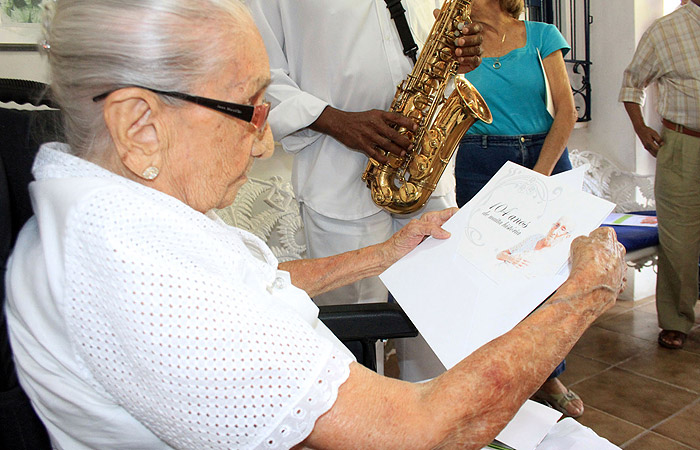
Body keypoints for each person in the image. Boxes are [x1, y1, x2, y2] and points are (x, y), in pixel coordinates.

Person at [5, 1, 626, 448]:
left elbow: (252, 277)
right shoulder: (136, 279)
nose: (261, 140)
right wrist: (579, 298)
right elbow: (417, 432)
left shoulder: (113, 213)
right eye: (248, 108)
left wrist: (378, 256)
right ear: (140, 126)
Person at [245, 0, 484, 306]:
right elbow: (258, 73)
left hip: (427, 173)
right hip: (337, 180)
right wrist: (334, 120)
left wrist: (459, 56)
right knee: (356, 332)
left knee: (439, 321)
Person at [452, 0, 582, 417]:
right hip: (481, 157)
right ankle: (499, 373)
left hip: (544, 156)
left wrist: (538, 178)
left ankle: (548, 374)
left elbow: (567, 111)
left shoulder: (543, 35)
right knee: (489, 273)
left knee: (546, 275)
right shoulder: (455, 43)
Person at [619, 0, 700, 350]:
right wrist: (640, 128)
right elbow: (631, 83)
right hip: (684, 146)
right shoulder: (665, 30)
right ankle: (676, 320)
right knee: (678, 239)